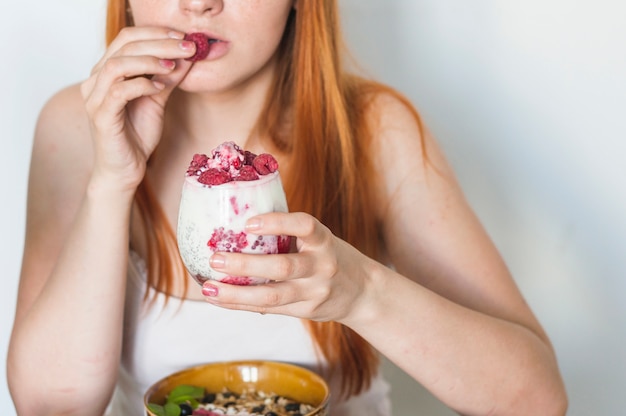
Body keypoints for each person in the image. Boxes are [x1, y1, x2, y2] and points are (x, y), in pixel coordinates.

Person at [7, 0, 568, 415]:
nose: (200, 4)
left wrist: (364, 293)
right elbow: (48, 406)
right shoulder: (78, 128)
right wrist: (111, 181)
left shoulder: (372, 134)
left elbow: (536, 400)